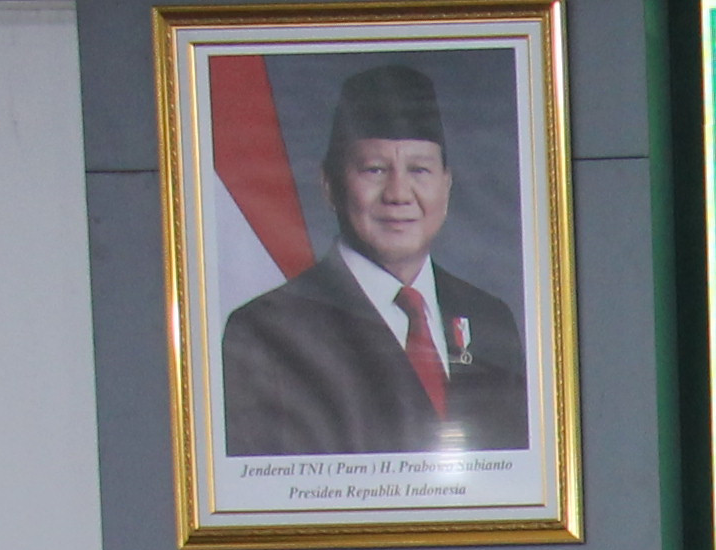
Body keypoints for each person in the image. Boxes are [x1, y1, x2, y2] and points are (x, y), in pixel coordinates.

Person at [216, 62, 530, 455]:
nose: (398, 193)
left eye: (419, 169)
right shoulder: (267, 332)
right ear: (330, 186)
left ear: (446, 187)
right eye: (375, 169)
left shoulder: (489, 318)